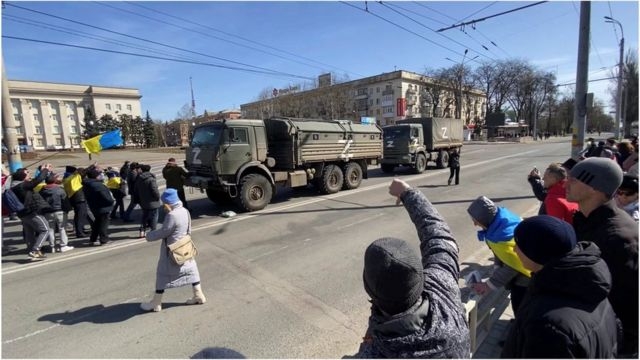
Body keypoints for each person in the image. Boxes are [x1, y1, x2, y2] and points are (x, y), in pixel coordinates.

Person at [353, 178, 470, 358]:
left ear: (369, 289)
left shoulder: (374, 353)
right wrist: (408, 193)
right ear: (419, 275)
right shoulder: (443, 287)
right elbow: (439, 235)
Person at [502, 215, 618, 358]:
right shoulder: (589, 284)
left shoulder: (546, 326)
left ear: (536, 252)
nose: (514, 250)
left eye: (518, 245)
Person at [566, 157, 638, 356]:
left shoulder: (618, 239)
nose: (567, 183)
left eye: (574, 180)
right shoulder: (585, 220)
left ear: (595, 188)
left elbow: (625, 304)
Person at [140, 188, 206, 312]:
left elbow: (164, 232)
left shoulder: (172, 215)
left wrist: (149, 236)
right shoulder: (185, 211)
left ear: (168, 202)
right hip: (186, 247)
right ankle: (199, 295)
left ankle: (156, 302)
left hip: (172, 251)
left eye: (164, 202)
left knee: (162, 275)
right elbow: (189, 229)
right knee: (191, 270)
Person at [466, 196, 530, 315]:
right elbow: (499, 252)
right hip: (522, 278)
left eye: (476, 220)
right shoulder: (501, 223)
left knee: (521, 309)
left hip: (525, 281)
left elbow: (512, 266)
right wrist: (496, 267)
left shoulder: (502, 236)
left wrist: (488, 285)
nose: (475, 224)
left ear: (485, 219)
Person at [11, 165, 52, 260]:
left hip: (22, 213)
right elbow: (38, 180)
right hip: (31, 212)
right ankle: (35, 251)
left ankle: (31, 251)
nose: (29, 174)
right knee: (45, 229)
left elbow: (35, 180)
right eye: (27, 173)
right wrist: (45, 170)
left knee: (29, 233)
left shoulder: (14, 185)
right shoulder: (22, 185)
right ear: (22, 176)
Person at [39, 173, 74, 253]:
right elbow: (65, 201)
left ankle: (52, 246)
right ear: (54, 181)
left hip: (48, 212)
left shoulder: (42, 191)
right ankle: (63, 246)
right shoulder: (60, 190)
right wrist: (67, 210)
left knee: (50, 229)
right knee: (62, 229)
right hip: (60, 211)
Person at [82, 166, 114, 246]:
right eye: (99, 174)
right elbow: (107, 197)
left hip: (94, 206)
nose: (101, 175)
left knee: (97, 223)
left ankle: (93, 239)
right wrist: (111, 202)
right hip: (103, 207)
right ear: (96, 176)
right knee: (103, 223)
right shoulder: (98, 185)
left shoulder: (86, 184)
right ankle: (104, 239)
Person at [63, 166, 93, 238]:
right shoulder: (74, 177)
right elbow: (83, 172)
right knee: (81, 216)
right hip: (79, 198)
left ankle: (80, 230)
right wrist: (92, 166)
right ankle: (80, 232)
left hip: (73, 198)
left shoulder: (66, 179)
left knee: (78, 216)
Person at [135, 164, 161, 238]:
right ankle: (153, 231)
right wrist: (157, 197)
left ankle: (142, 231)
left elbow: (136, 190)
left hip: (143, 200)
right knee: (154, 216)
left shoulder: (139, 178)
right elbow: (154, 190)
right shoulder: (151, 179)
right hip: (152, 201)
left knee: (144, 216)